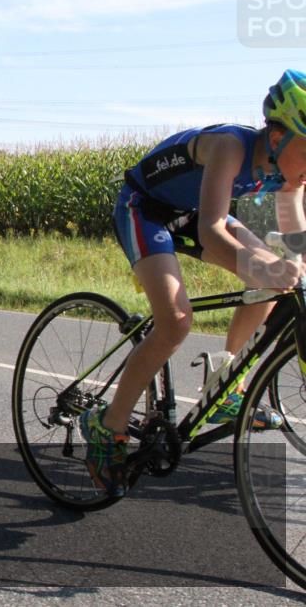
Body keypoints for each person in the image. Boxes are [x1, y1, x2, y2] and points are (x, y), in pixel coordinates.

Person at [82, 69, 306, 497]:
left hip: (186, 212)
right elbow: (211, 231)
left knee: (278, 279)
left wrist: (288, 268)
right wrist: (267, 266)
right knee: (176, 322)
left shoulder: (287, 174)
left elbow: (296, 241)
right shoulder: (230, 147)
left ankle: (224, 386)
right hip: (144, 209)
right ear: (278, 139)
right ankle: (106, 426)